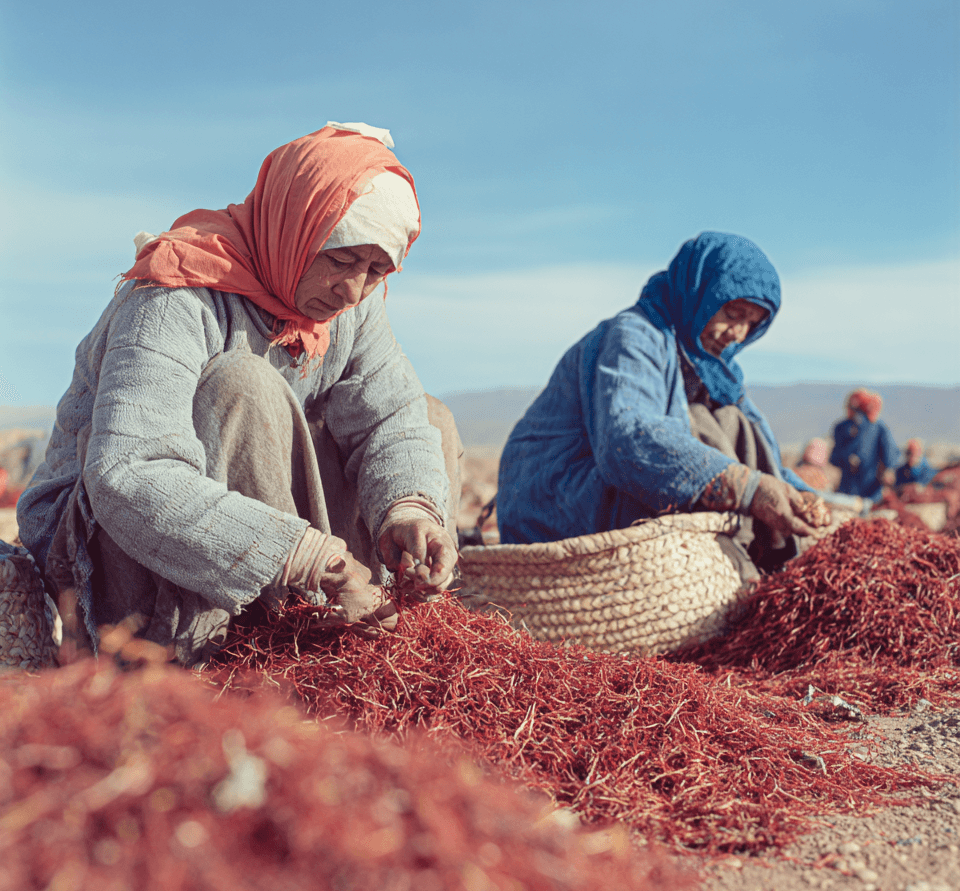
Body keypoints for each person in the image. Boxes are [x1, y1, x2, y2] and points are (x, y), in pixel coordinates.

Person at [18, 123, 460, 664]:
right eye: (341, 260)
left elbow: (389, 416)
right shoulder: (175, 292)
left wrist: (411, 511)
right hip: (121, 556)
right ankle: (249, 654)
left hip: (278, 554)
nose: (352, 289)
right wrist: (308, 557)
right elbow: (126, 473)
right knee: (242, 386)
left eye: (376, 270)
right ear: (294, 224)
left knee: (432, 423)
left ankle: (360, 639)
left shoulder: (354, 306)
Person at [497, 231, 829, 579]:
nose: (738, 333)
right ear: (699, 292)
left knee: (729, 418)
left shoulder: (712, 370)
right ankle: (744, 558)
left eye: (752, 323)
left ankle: (759, 554)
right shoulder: (635, 336)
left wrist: (795, 495)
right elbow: (628, 439)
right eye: (733, 313)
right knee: (701, 421)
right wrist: (749, 489)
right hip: (554, 504)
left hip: (608, 492)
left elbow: (765, 460)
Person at [830, 389, 898, 503]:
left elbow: (891, 457)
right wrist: (847, 459)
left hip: (871, 491)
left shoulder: (878, 428)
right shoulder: (841, 428)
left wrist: (884, 469)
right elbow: (834, 457)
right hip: (849, 490)